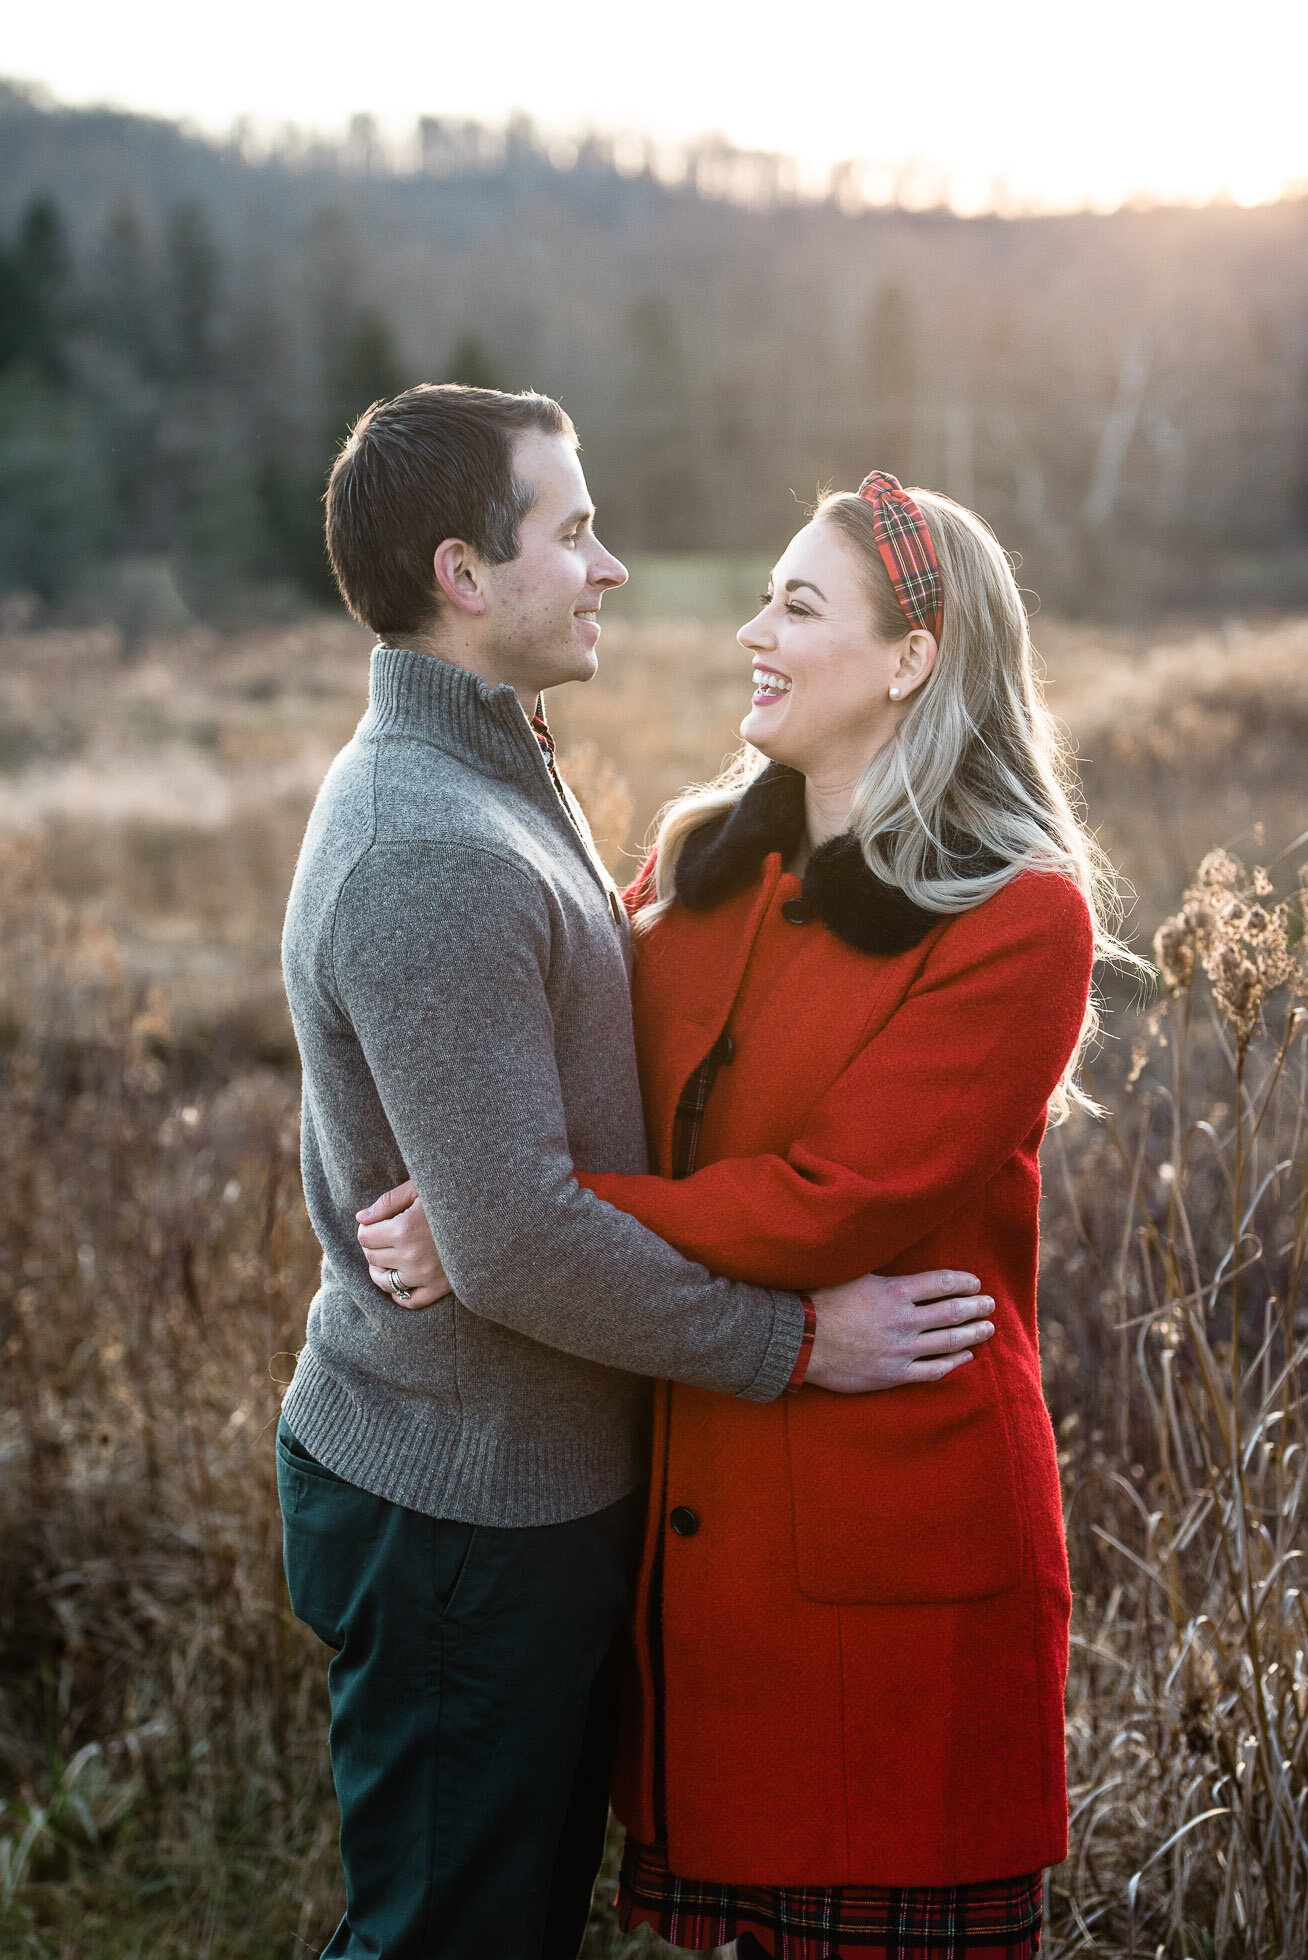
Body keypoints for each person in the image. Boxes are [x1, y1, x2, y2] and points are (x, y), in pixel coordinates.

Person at [362, 470, 1130, 1958]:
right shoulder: (698, 862)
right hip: (697, 1570)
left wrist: (511, 1221)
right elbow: (585, 1093)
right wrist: (495, 1193)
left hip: (897, 1564)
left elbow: (821, 1206)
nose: (749, 634)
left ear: (913, 659)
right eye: (764, 597)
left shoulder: (1021, 914)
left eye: (797, 603)